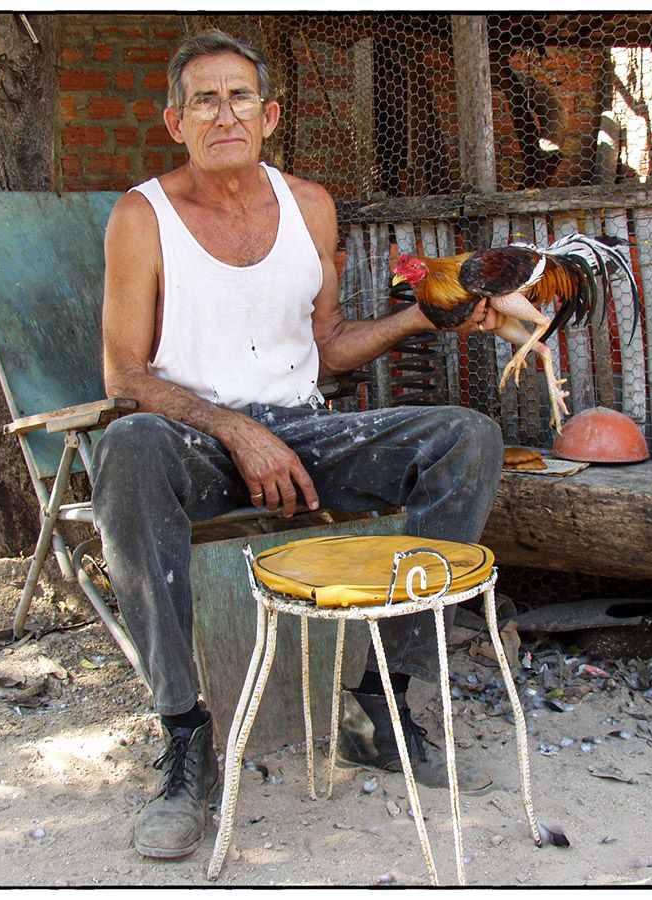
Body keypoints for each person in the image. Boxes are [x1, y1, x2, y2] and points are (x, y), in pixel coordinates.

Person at [93, 29, 505, 861]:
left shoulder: (311, 205)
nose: (223, 113)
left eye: (239, 96)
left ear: (270, 113)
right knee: (128, 447)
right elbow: (124, 374)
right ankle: (184, 741)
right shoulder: (143, 216)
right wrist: (237, 431)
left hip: (307, 432)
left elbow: (327, 344)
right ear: (174, 120)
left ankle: (378, 707)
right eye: (202, 99)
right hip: (194, 441)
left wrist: (425, 315)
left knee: (466, 439)